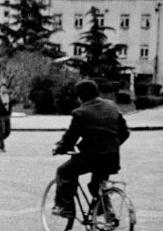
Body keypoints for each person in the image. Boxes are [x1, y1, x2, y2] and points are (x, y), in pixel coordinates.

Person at [51, 81, 129, 218]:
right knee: (97, 185)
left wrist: (60, 148)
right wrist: (112, 144)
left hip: (91, 157)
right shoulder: (112, 107)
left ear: (81, 96)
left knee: (64, 172)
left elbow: (71, 137)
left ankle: (65, 207)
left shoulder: (81, 113)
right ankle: (105, 210)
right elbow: (125, 132)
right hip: (111, 157)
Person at [0, 85, 13, 151]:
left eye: (5, 88)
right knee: (2, 131)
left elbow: (10, 106)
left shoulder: (9, 97)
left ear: (6, 89)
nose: (3, 89)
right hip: (0, 116)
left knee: (8, 132)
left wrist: (10, 113)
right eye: (2, 88)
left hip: (7, 116)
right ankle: (2, 146)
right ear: (0, 89)